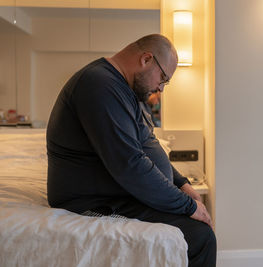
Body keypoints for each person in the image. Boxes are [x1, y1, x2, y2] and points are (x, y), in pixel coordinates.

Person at [46, 34, 216, 267]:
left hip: (118, 195)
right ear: (146, 59)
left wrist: (182, 184)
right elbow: (130, 164)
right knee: (199, 236)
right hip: (92, 204)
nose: (161, 89)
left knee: (197, 229)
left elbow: (147, 144)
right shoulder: (99, 85)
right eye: (163, 78)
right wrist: (187, 205)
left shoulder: (123, 89)